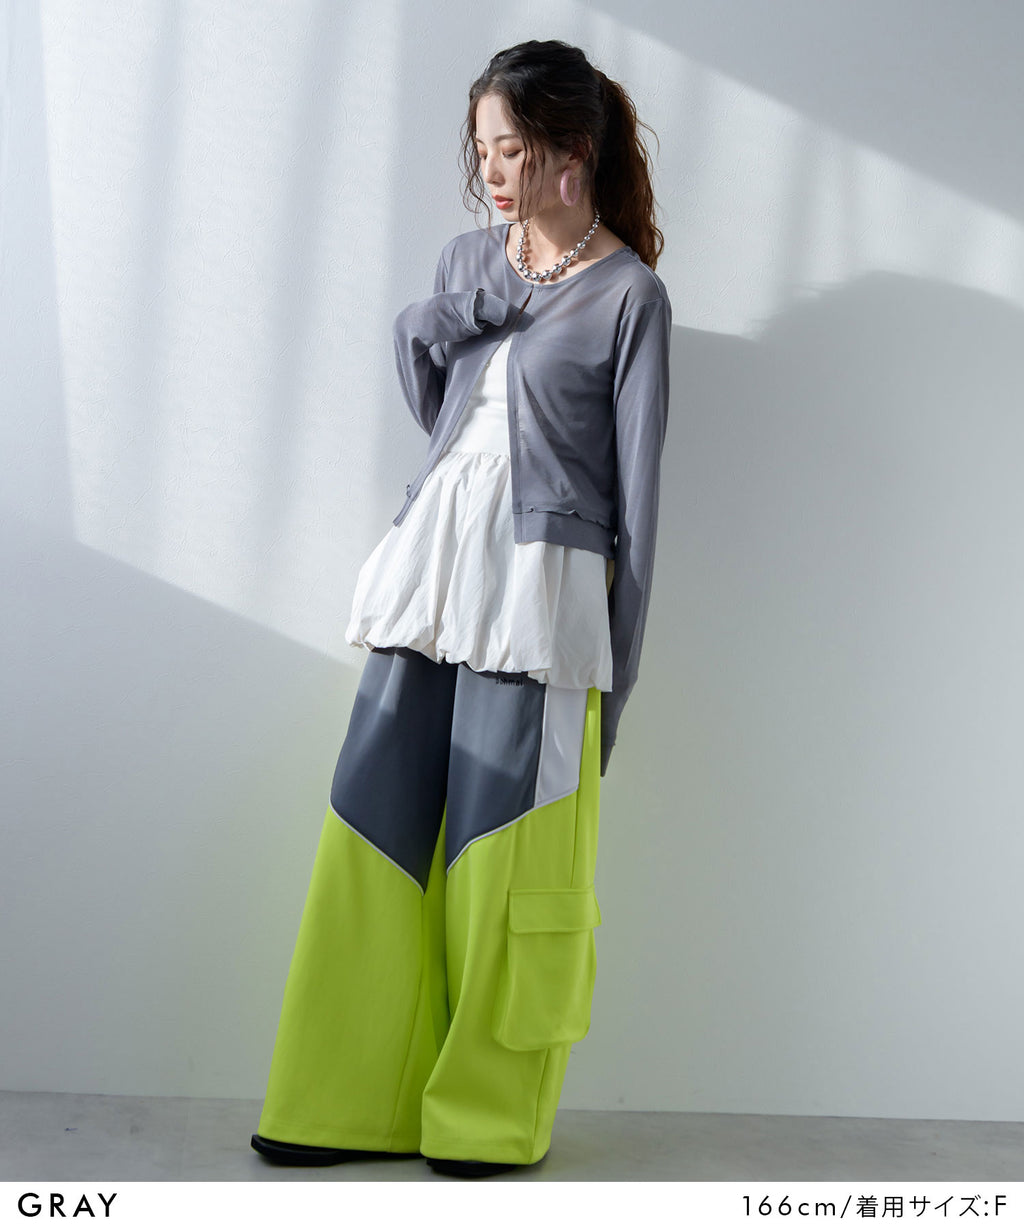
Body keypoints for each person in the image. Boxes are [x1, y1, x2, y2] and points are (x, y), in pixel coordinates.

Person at [250, 38, 672, 1179]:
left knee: (507, 856)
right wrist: (453, 305)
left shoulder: (629, 296)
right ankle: (345, 1098)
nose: (489, 169)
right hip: (433, 571)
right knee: (371, 821)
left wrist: (615, 681)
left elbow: (639, 504)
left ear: (571, 152)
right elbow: (434, 400)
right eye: (481, 148)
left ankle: (484, 1115)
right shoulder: (468, 258)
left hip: (543, 595)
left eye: (510, 149)